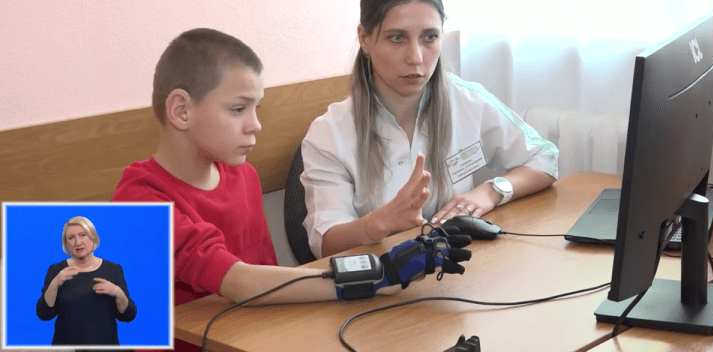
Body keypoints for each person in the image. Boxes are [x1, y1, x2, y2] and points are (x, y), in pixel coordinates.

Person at [110, 28, 467, 351]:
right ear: (181, 111)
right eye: (238, 109)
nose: (255, 125)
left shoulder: (243, 176)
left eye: (256, 108)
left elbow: (273, 284)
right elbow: (240, 282)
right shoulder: (140, 201)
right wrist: (378, 275)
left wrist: (379, 272)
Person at [301, 0, 560, 258]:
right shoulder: (329, 132)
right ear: (365, 39)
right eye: (397, 38)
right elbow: (324, 244)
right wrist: (379, 223)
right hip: (381, 277)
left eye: (429, 38)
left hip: (457, 267)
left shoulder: (467, 101)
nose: (415, 58)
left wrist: (491, 191)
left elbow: (546, 158)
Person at [36, 216, 137, 345]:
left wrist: (118, 292)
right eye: (71, 238)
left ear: (93, 237)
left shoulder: (113, 270)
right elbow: (43, 314)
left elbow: (128, 316)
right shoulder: (56, 270)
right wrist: (55, 284)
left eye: (83, 235)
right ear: (66, 243)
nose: (78, 243)